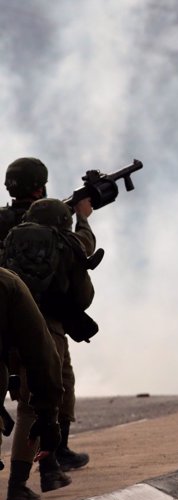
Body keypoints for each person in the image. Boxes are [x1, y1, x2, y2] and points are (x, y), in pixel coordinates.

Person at [1, 158, 93, 477]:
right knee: (52, 388)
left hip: (5, 321)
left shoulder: (4, 224)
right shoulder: (50, 230)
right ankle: (51, 458)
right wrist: (82, 218)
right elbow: (82, 258)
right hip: (44, 324)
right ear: (40, 186)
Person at [0, 267, 65, 500]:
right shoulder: (8, 282)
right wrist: (48, 419)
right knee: (29, 408)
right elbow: (43, 356)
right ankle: (17, 486)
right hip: (45, 324)